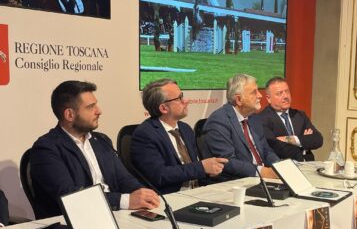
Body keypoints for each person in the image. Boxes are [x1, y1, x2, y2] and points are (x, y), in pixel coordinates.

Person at [30, 80, 160, 218]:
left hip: (116, 214)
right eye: (90, 107)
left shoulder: (101, 140)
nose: (99, 111)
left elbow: (123, 178)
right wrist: (125, 201)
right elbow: (71, 196)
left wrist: (142, 193)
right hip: (76, 221)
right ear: (69, 115)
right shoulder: (46, 149)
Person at [130, 79, 227, 194]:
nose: (186, 101)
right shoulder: (145, 135)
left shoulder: (185, 129)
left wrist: (209, 170)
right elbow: (160, 175)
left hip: (197, 192)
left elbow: (193, 169)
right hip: (171, 196)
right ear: (164, 108)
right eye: (179, 98)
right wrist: (201, 167)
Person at [202, 74, 279, 181]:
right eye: (254, 92)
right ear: (238, 99)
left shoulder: (254, 118)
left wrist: (279, 166)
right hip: (235, 182)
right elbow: (227, 161)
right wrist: (262, 172)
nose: (260, 95)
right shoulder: (218, 121)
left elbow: (266, 150)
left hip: (261, 178)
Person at [256, 77, 323, 161]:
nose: (285, 96)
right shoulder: (261, 119)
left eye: (287, 91)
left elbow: (318, 139)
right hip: (283, 166)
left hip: (309, 164)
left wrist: (290, 139)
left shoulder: (299, 115)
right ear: (269, 98)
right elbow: (278, 149)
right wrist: (304, 144)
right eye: (279, 93)